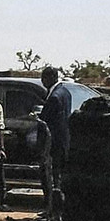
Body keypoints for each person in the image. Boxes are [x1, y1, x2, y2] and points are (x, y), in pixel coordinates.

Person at [38, 67, 72, 206]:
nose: (42, 81)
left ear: (51, 78)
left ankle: (51, 206)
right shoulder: (65, 92)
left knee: (50, 176)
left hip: (53, 143)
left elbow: (47, 121)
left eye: (44, 78)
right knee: (58, 176)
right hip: (63, 140)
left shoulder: (54, 97)